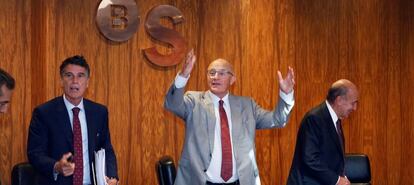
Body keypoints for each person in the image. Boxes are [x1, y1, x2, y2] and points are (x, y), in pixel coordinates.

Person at [164, 49, 295, 185]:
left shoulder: (247, 105)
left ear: (232, 79)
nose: (215, 77)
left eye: (221, 73)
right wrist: (183, 76)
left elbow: (277, 120)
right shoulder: (194, 101)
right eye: (211, 73)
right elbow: (172, 104)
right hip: (201, 181)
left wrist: (286, 94)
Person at [27, 55, 118, 185]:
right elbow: (35, 153)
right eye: (69, 75)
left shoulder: (99, 112)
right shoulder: (44, 113)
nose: (75, 81)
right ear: (61, 80)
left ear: (87, 82)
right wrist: (57, 166)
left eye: (80, 76)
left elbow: (106, 148)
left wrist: (112, 176)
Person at [287, 79, 359, 185]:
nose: (355, 108)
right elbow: (310, 160)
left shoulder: (335, 120)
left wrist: (342, 176)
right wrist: (337, 180)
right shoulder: (314, 119)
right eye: (353, 103)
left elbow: (332, 158)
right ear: (339, 100)